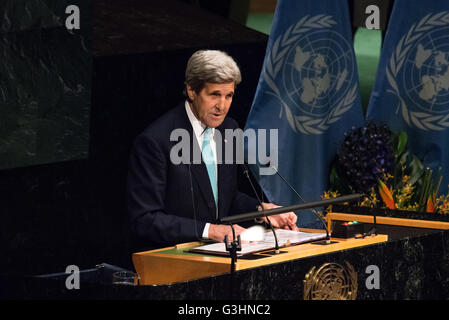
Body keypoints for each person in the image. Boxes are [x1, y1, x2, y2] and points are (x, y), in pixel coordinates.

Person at [127, 50, 297, 248]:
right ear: (191, 90)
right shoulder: (156, 141)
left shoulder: (229, 129)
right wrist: (210, 231)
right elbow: (145, 219)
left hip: (221, 258)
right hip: (175, 260)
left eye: (229, 96)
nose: (222, 106)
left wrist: (261, 211)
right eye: (215, 95)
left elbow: (224, 198)